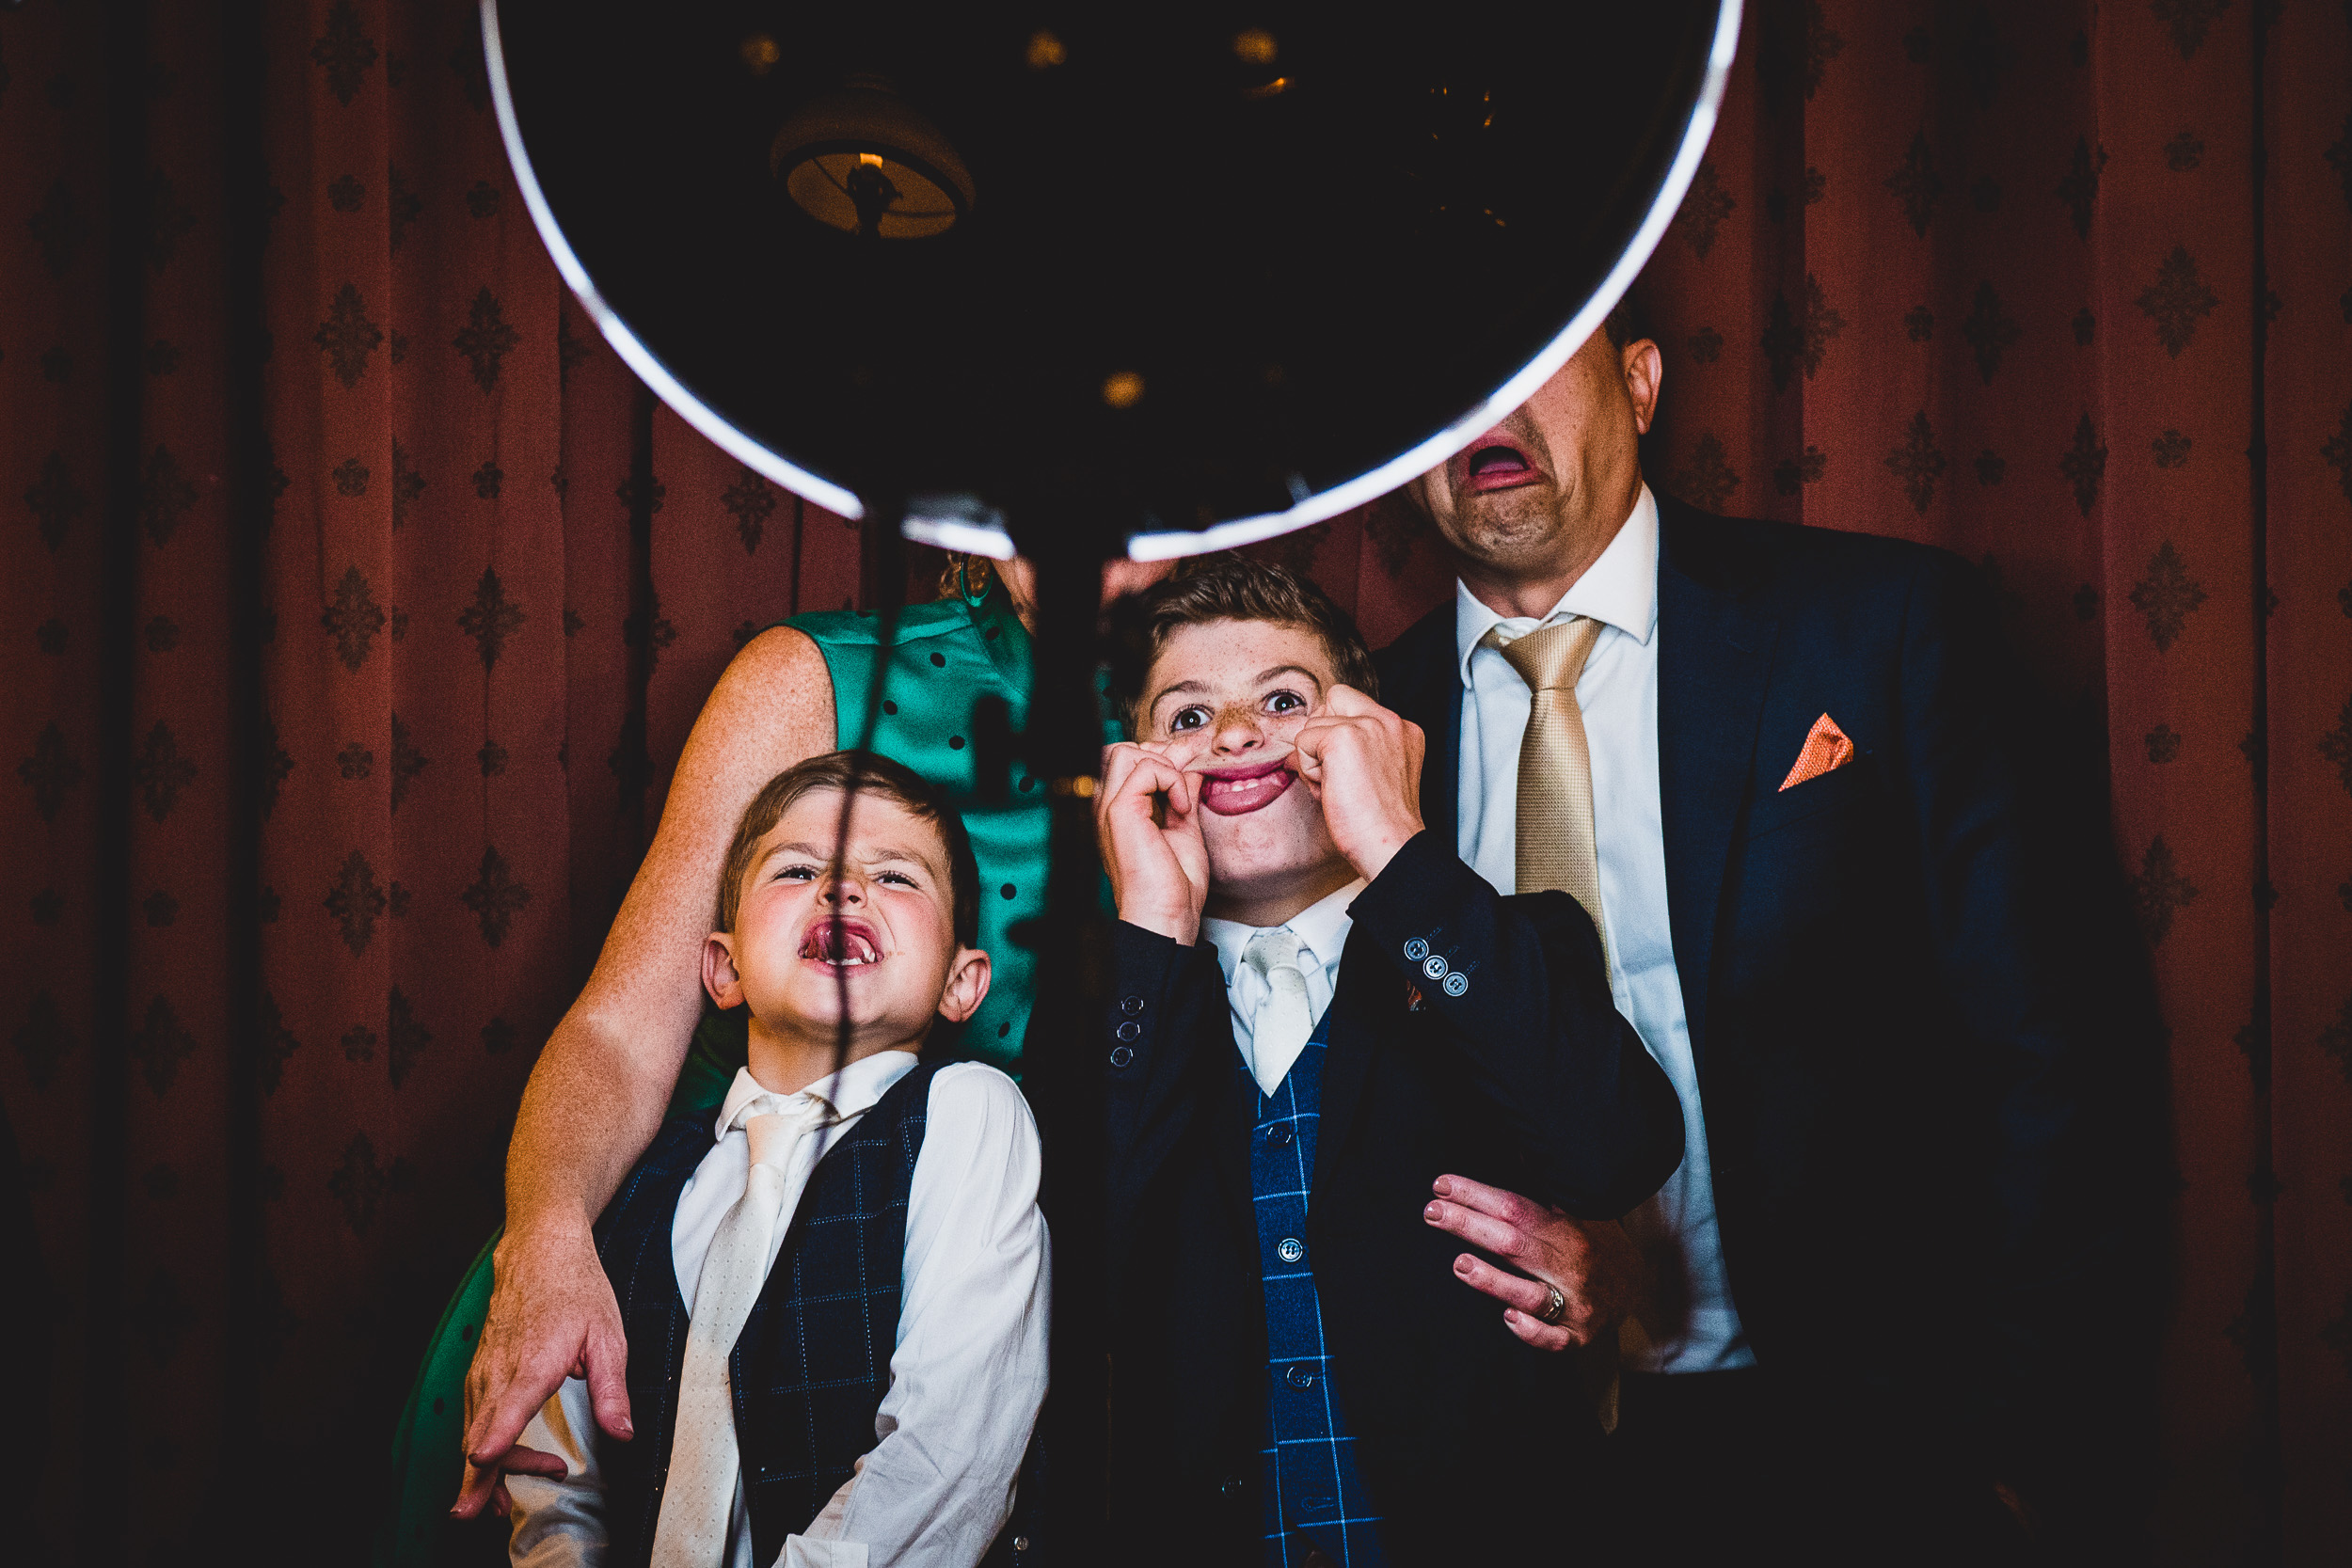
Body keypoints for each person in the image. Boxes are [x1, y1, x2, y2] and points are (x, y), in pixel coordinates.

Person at [1391, 303, 2158, 1560]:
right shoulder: (1359, 724)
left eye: (1534, 359)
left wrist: (2019, 1464)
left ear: (1640, 384)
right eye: (1448, 385)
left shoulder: (1882, 625)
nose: (1490, 413)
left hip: (1861, 1444)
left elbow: (2056, 1055)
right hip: (1493, 1461)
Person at [386, 555, 1160, 1559]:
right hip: (633, 1275)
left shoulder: (1238, 696)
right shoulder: (808, 677)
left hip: (998, 1318)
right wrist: (550, 1232)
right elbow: (621, 1032)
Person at [1094, 560, 1684, 1564]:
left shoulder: (1514, 947)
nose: (1236, 732)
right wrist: (1151, 920)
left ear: (1365, 736)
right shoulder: (1113, 1007)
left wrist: (1399, 854)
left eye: (1283, 699)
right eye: (1188, 717)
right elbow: (1067, 1270)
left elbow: (1617, 1147)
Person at [501, 750, 1048, 1568]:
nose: (844, 888)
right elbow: (555, 1484)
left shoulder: (966, 1113)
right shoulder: (641, 1172)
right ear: (721, 968)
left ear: (963, 984)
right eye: (798, 870)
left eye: (896, 877)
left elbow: (948, 1455)